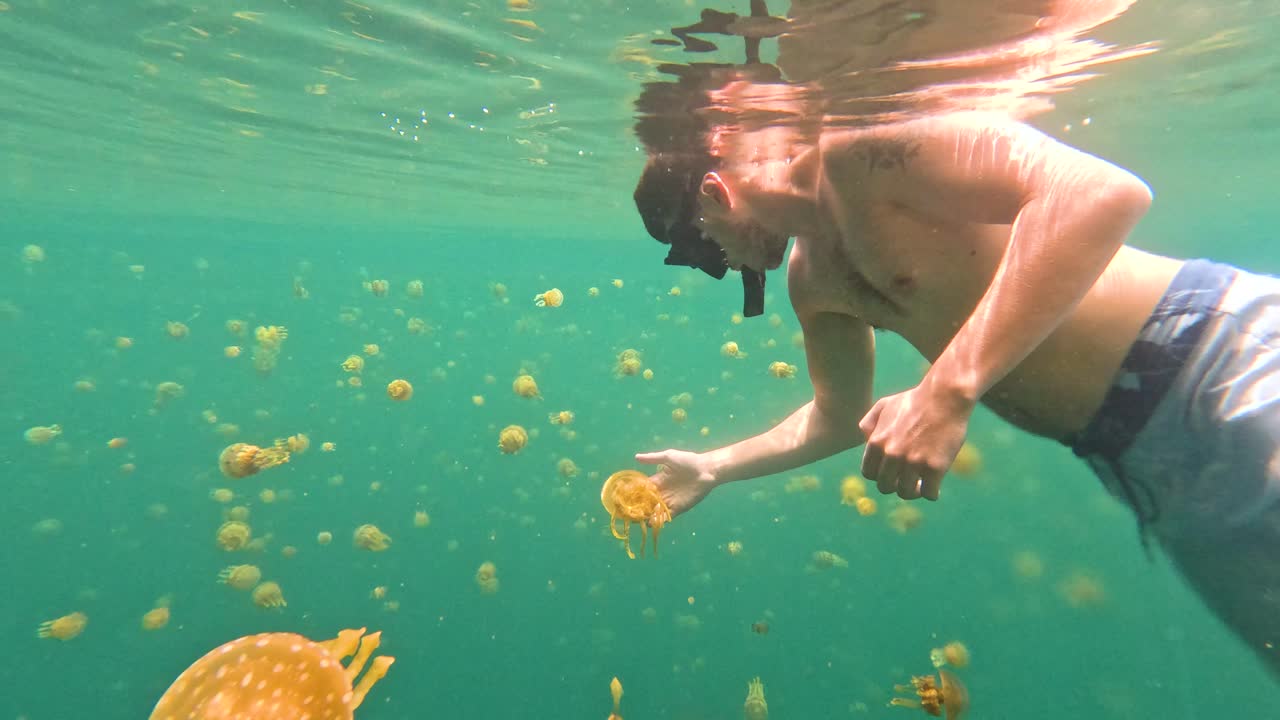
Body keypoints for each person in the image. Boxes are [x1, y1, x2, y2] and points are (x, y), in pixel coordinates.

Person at [632, 109, 1280, 675]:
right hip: (1139, 460)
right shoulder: (814, 280)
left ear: (714, 194)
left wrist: (945, 390)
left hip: (1220, 355)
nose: (726, 264)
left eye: (703, 246)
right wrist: (715, 466)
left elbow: (1101, 193)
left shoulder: (863, 151)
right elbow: (836, 416)